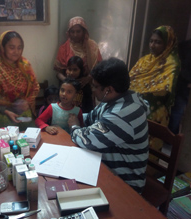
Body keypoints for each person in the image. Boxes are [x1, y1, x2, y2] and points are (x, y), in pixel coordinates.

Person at [68, 58, 150, 193]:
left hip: (126, 183)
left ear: (109, 90)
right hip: (105, 164)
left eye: (94, 86)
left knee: (72, 191)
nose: (92, 90)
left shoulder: (123, 114)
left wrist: (74, 127)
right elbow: (91, 118)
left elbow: (87, 140)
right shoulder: (115, 99)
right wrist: (70, 115)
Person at [0, 30, 40, 131]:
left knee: (30, 143)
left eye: (19, 47)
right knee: (8, 145)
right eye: (12, 47)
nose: (16, 52)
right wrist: (6, 111)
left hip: (25, 113)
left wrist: (27, 101)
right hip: (5, 116)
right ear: (2, 48)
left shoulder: (25, 65)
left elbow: (35, 87)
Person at [129, 26, 180, 127]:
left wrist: (140, 87)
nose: (152, 45)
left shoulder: (171, 64)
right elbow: (129, 81)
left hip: (154, 113)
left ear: (168, 44)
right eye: (151, 41)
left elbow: (162, 90)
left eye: (158, 42)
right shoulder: (144, 60)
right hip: (134, 109)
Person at [54, 16, 102, 89]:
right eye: (72, 32)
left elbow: (99, 67)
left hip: (89, 86)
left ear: (84, 31)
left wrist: (88, 78)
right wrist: (68, 81)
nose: (75, 34)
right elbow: (58, 73)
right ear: (69, 33)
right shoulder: (64, 48)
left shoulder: (93, 46)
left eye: (78, 31)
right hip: (69, 88)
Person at [168, 39, 191, 134]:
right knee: (173, 110)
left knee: (177, 111)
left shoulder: (185, 44)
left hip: (184, 84)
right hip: (177, 81)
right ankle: (170, 135)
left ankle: (171, 137)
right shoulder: (184, 45)